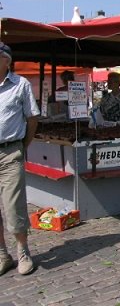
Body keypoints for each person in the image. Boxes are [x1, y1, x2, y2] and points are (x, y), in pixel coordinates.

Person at [0, 42, 40, 276]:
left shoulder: (20, 84)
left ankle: (23, 251)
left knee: (14, 205)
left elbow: (32, 118)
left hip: (10, 151)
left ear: (7, 61)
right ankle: (3, 254)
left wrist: (22, 145)